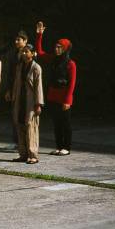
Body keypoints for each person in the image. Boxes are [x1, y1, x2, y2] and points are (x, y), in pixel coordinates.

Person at [35, 21, 76, 156]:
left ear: (65, 49)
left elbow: (72, 83)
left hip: (64, 96)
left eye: (59, 47)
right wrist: (40, 35)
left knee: (65, 123)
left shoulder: (70, 64)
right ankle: (59, 146)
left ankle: (67, 147)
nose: (56, 49)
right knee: (56, 123)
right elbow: (39, 53)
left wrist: (68, 101)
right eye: (56, 46)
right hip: (53, 95)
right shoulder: (53, 59)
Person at [10, 43, 44, 164]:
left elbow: (38, 87)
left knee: (31, 127)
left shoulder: (36, 68)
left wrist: (38, 104)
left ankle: (33, 154)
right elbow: (16, 83)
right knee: (20, 126)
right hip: (20, 100)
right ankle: (23, 154)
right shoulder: (19, 67)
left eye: (27, 51)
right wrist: (13, 97)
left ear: (32, 53)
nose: (24, 53)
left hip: (31, 102)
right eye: (23, 52)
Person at [1, 30, 30, 154]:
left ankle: (27, 142)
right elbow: (9, 73)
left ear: (25, 41)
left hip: (25, 90)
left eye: (19, 40)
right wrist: (8, 89)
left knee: (26, 117)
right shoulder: (13, 54)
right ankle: (16, 141)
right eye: (16, 39)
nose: (16, 42)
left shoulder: (29, 53)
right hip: (14, 88)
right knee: (15, 115)